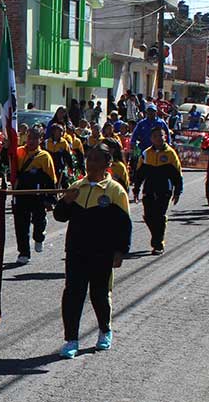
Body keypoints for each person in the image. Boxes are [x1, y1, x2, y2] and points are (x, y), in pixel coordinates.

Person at [54, 144, 132, 357]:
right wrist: (67, 201)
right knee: (72, 295)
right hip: (76, 251)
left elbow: (125, 225)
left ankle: (105, 331)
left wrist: (120, 250)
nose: (91, 164)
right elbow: (60, 216)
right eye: (89, 159)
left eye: (96, 160)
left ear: (108, 164)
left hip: (102, 253)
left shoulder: (115, 191)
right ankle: (71, 340)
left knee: (99, 294)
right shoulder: (77, 186)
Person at [132, 127, 183, 254]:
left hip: (164, 189)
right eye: (155, 136)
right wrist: (136, 189)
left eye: (161, 135)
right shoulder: (146, 154)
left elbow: (177, 174)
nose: (158, 138)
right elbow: (139, 174)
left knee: (159, 216)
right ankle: (157, 236)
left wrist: (177, 191)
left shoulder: (170, 154)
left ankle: (158, 244)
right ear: (151, 138)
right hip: (149, 189)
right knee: (148, 216)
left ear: (165, 137)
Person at [13, 127, 57, 264]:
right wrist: (6, 149)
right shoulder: (19, 152)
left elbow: (51, 179)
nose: (31, 141)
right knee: (21, 225)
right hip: (20, 194)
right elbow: (8, 163)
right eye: (29, 137)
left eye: (34, 138)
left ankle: (39, 237)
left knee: (39, 220)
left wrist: (50, 199)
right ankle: (24, 252)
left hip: (37, 196)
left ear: (40, 140)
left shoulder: (44, 157)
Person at [44, 124, 75, 188]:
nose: (60, 133)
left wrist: (70, 167)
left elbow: (68, 156)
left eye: (61, 131)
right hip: (49, 166)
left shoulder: (64, 143)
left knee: (64, 181)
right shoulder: (46, 142)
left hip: (60, 166)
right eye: (57, 131)